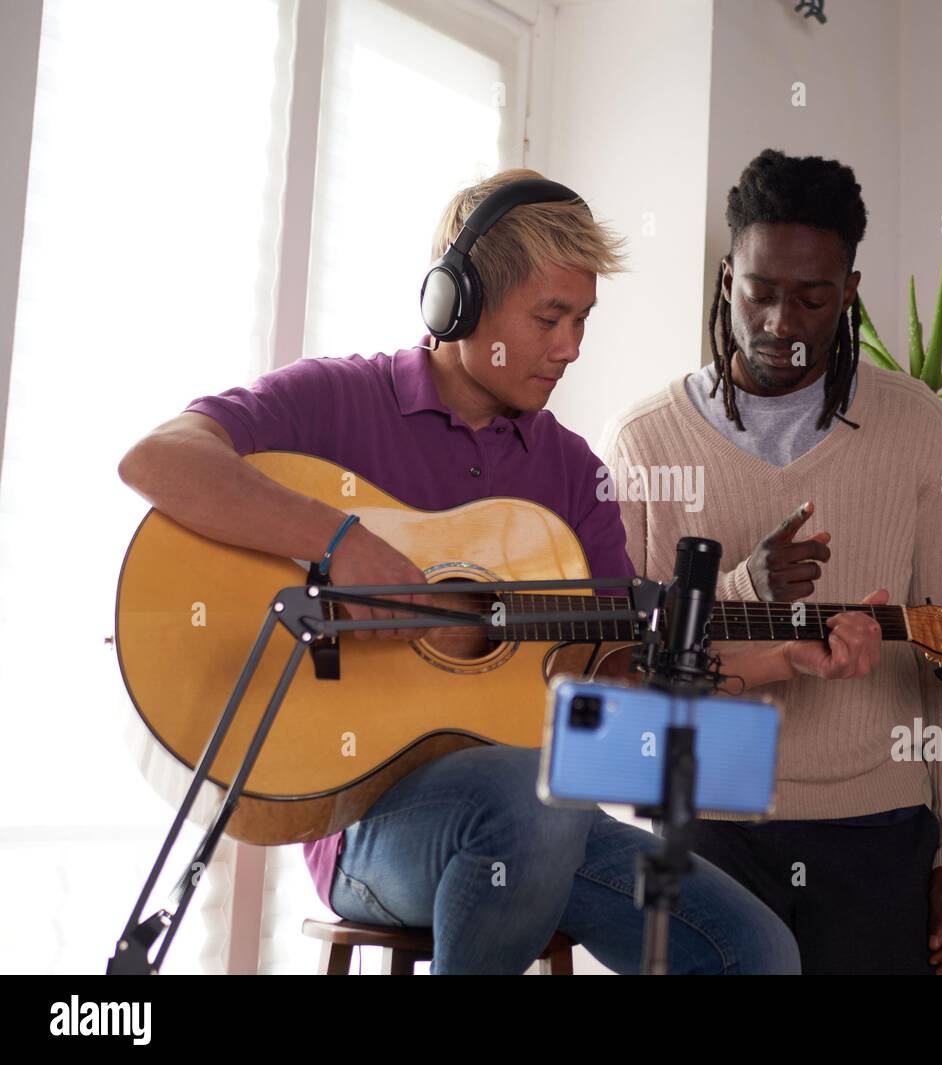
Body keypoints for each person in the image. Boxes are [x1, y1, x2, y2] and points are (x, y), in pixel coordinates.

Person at [116, 166, 883, 975]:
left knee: (757, 950)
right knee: (536, 793)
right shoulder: (338, 401)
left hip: (542, 818)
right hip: (371, 827)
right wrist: (338, 538)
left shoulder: (571, 471)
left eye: (583, 320)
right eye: (550, 317)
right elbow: (160, 459)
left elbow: (623, 667)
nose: (572, 348)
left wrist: (781, 656)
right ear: (461, 302)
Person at [601, 149, 942, 974]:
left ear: (850, 291)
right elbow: (630, 674)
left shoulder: (921, 429)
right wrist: (745, 586)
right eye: (761, 292)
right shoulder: (645, 442)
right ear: (725, 279)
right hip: (709, 827)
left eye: (813, 297)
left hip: (879, 830)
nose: (782, 321)